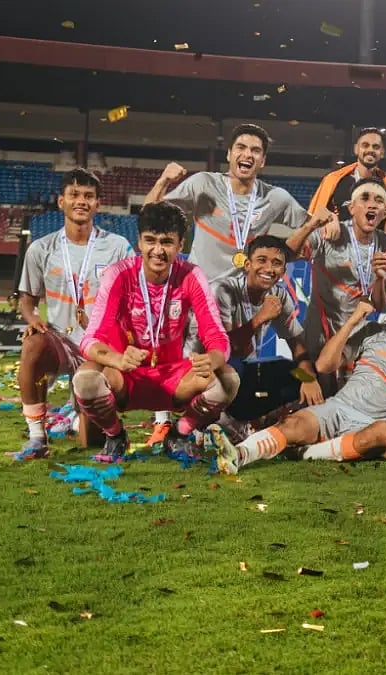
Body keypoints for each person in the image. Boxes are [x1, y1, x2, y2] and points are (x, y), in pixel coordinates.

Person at [144, 123, 333, 447]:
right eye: (241, 148)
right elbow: (151, 215)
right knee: (195, 361)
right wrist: (163, 181)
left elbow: (311, 235)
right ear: (229, 154)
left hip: (243, 301)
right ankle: (168, 423)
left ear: (262, 161)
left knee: (242, 369)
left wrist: (327, 224)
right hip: (201, 297)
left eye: (255, 151)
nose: (247, 154)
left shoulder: (275, 199)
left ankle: (229, 420)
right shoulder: (204, 185)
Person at [207, 273, 386, 473]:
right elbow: (324, 365)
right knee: (294, 424)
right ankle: (238, 455)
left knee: (382, 435)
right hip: (339, 407)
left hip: (372, 423)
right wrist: (353, 321)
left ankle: (305, 453)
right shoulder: (373, 331)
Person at [73, 203, 238, 462]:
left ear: (181, 244)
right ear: (139, 241)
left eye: (167, 242)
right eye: (150, 240)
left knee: (229, 380)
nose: (158, 251)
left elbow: (216, 335)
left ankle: (180, 433)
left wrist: (213, 359)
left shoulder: (192, 275)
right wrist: (117, 359)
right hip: (126, 376)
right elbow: (91, 337)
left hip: (174, 378)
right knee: (85, 380)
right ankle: (115, 436)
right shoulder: (119, 274)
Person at [13, 169, 133, 460]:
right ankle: (37, 437)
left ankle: (87, 411)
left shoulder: (117, 246)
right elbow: (26, 302)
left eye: (88, 196)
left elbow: (132, 296)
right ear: (61, 201)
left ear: (98, 204)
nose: (81, 201)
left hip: (101, 348)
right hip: (61, 341)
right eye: (74, 195)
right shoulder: (41, 249)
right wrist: (34, 320)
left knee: (89, 441)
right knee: (32, 344)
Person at [289, 178, 386, 394]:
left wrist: (380, 279)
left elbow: (380, 306)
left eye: (379, 200)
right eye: (364, 198)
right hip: (318, 334)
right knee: (303, 389)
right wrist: (311, 224)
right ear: (351, 208)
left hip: (355, 339)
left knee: (348, 405)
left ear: (385, 211)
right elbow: (288, 254)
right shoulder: (330, 234)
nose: (372, 204)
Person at [213, 235, 321, 437]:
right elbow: (224, 349)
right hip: (210, 371)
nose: (269, 269)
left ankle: (256, 419)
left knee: (293, 372)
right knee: (234, 368)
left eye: (277, 263)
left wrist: (309, 379)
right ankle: (217, 419)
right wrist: (260, 318)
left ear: (283, 271)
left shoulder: (279, 295)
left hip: (246, 369)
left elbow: (296, 343)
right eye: (262, 260)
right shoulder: (225, 290)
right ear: (247, 264)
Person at [308, 127, 386, 216]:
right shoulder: (334, 180)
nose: (370, 150)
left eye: (376, 147)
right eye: (365, 145)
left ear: (382, 153)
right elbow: (315, 215)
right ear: (356, 149)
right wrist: (331, 219)